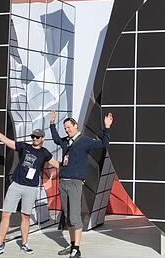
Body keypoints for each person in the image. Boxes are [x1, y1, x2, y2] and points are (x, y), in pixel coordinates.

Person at [0, 117, 59, 257]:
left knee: (25, 216)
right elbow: (6, 141)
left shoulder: (45, 153)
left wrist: (76, 170)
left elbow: (57, 164)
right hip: (16, 185)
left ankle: (25, 244)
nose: (34, 138)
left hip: (31, 188)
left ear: (43, 138)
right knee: (5, 214)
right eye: (33, 136)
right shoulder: (24, 147)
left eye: (37, 137)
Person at [49, 111, 113, 258]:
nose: (66, 130)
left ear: (76, 126)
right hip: (63, 183)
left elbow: (103, 143)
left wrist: (107, 127)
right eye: (65, 128)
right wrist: (52, 124)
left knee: (75, 216)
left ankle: (76, 249)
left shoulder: (84, 141)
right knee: (69, 217)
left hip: (75, 183)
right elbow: (56, 139)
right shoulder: (66, 141)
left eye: (68, 127)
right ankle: (71, 245)